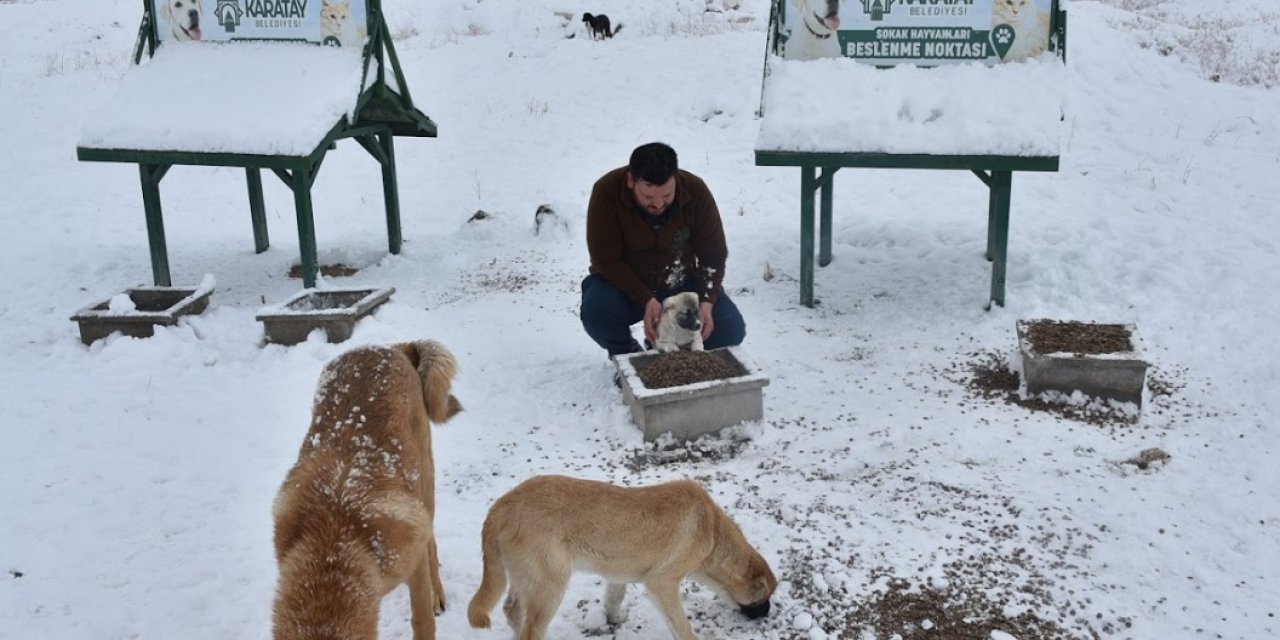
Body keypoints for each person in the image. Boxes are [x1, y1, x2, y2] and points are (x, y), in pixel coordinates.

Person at [580, 142, 746, 360]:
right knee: (598, 312)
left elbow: (713, 255)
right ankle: (627, 355)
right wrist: (646, 299)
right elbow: (606, 260)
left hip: (679, 284)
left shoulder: (695, 191)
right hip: (625, 287)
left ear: (675, 179)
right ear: (631, 180)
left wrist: (706, 301)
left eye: (667, 196)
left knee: (729, 330)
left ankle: (669, 347)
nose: (658, 204)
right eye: (648, 197)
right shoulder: (606, 192)